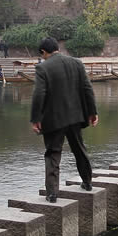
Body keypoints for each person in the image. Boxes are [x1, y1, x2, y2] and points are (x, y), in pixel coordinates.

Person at [30, 37, 98, 203]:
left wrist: (36, 118)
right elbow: (87, 88)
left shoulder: (43, 67)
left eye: (42, 54)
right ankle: (88, 182)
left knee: (53, 153)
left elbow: (39, 94)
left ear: (43, 52)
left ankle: (52, 193)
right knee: (79, 149)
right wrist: (92, 112)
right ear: (57, 48)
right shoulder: (77, 63)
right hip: (75, 116)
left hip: (53, 119)